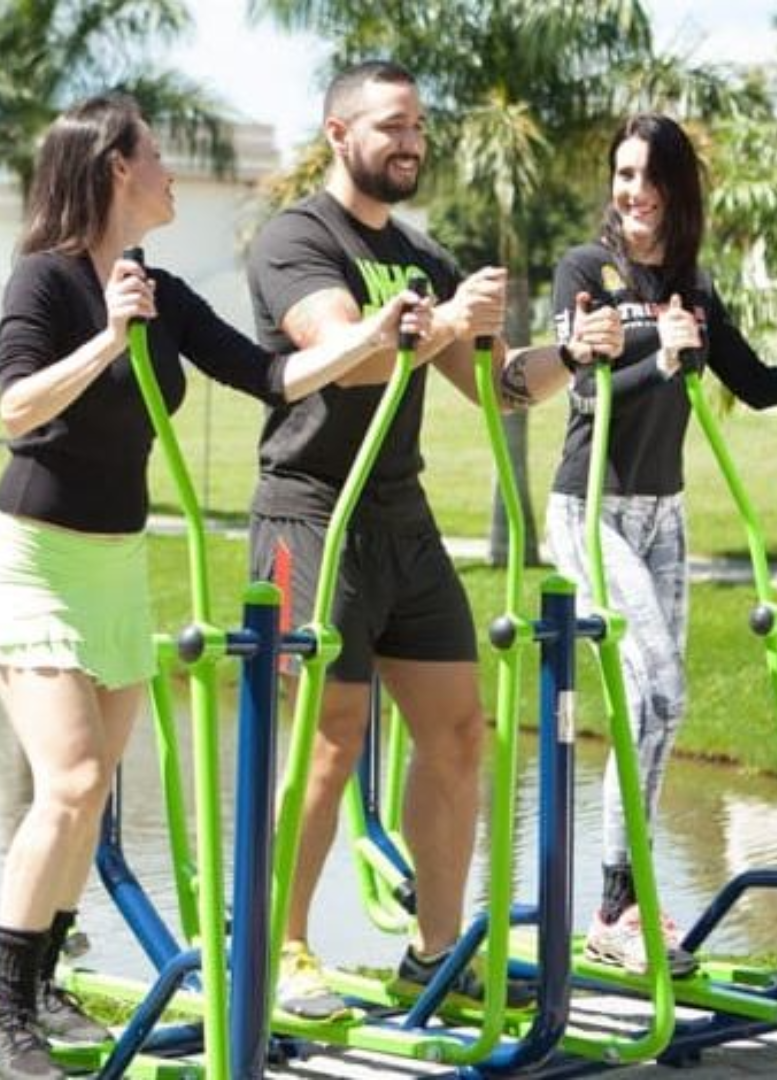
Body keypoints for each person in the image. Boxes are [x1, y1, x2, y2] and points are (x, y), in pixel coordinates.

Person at [0, 92, 433, 1080]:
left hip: (116, 564)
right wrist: (107, 338)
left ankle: (46, 983)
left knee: (91, 803)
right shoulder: (45, 281)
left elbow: (273, 376)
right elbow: (12, 408)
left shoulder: (160, 287)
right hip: (35, 563)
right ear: (113, 169)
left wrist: (380, 335)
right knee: (74, 783)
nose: (174, 170)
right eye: (158, 156)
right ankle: (6, 1016)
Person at [244, 60, 623, 1021]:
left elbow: (494, 385)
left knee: (458, 733)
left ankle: (434, 954)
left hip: (402, 521)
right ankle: (285, 953)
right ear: (339, 134)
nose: (411, 141)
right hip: (310, 514)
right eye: (391, 125)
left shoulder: (419, 253)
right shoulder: (296, 238)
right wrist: (437, 321)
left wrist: (572, 355)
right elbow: (344, 361)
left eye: (419, 126)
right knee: (328, 744)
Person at [544, 113, 777, 978]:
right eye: (622, 175)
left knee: (664, 707)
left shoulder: (694, 289)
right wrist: (658, 362)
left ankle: (619, 904)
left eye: (648, 178)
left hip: (664, 511)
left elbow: (754, 380)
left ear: (676, 191)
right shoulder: (585, 273)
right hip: (589, 508)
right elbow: (588, 386)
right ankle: (616, 908)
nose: (631, 192)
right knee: (655, 679)